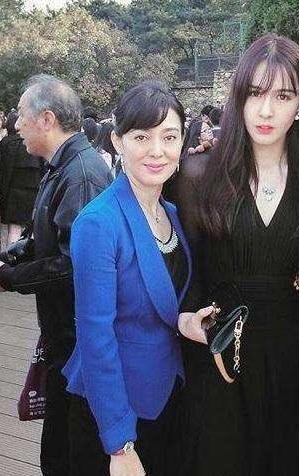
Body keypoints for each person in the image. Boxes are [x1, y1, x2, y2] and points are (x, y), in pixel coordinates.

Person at [173, 33, 299, 476]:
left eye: (283, 96)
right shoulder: (198, 174)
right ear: (238, 97)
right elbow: (186, 272)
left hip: (291, 355)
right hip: (219, 350)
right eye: (256, 93)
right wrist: (186, 319)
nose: (266, 110)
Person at [61, 80, 214, 476]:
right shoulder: (99, 223)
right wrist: (119, 443)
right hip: (114, 413)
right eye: (142, 137)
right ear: (117, 141)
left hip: (166, 397)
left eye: (169, 137)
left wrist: (185, 321)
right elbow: (95, 337)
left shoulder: (172, 213)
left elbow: (162, 301)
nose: (157, 150)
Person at [0, 74, 111, 476]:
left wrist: (10, 278)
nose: (16, 124)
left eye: (22, 115)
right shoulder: (61, 166)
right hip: (63, 335)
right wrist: (13, 256)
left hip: (78, 338)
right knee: (58, 447)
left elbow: (72, 265)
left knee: (71, 451)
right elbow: (48, 236)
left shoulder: (80, 174)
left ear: (46, 119)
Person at [0, 111, 44, 245]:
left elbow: (4, 171)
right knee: (30, 229)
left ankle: (10, 255)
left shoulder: (6, 143)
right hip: (34, 192)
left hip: (13, 192)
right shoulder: (35, 142)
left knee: (13, 229)